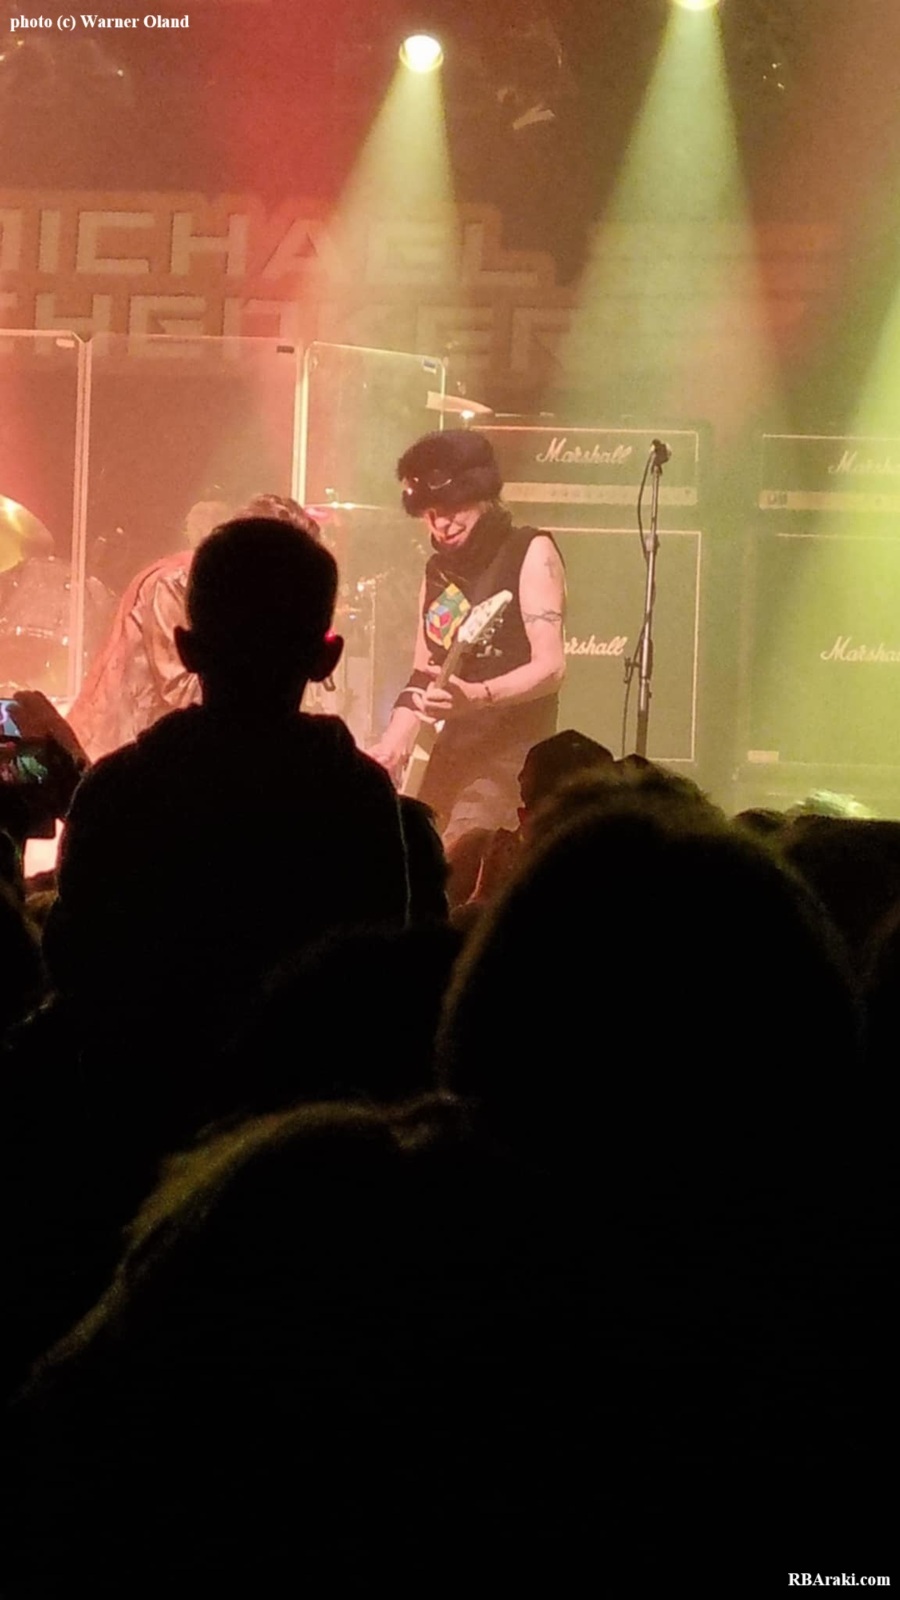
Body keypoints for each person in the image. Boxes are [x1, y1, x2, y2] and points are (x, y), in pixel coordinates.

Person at [45, 516, 409, 1060]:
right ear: (326, 657)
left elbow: (75, 963)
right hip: (303, 1088)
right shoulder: (361, 795)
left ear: (186, 647)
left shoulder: (119, 788)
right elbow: (379, 972)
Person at [369, 430, 566, 844]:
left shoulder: (529, 550)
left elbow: (551, 667)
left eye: (452, 509)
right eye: (430, 513)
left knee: (462, 851)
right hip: (449, 752)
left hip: (510, 756)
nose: (441, 524)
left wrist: (478, 695)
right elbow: (424, 673)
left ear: (482, 495)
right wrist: (391, 746)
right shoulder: (438, 571)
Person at [67, 495, 319, 762]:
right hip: (121, 757)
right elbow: (182, 690)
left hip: (166, 756)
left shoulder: (238, 595)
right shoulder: (176, 582)